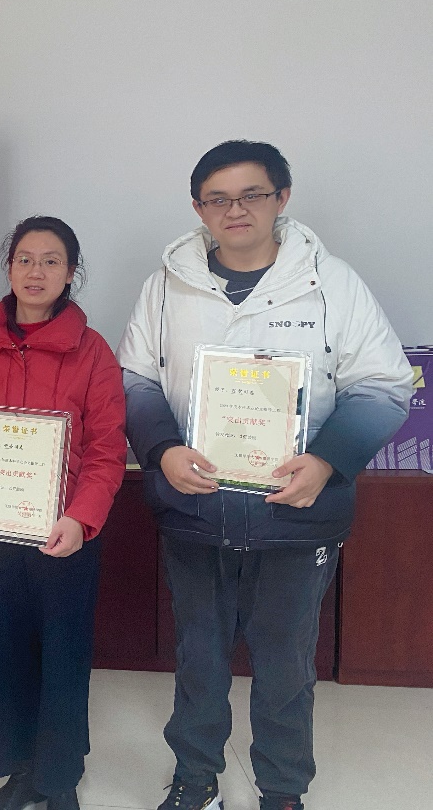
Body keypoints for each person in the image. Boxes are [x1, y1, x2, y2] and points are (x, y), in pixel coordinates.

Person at [116, 141, 413, 810]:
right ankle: (195, 779)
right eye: (217, 199)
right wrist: (161, 449)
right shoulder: (167, 285)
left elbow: (384, 385)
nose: (235, 210)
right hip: (196, 509)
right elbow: (135, 380)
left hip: (295, 513)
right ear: (199, 209)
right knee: (197, 659)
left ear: (282, 198)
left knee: (284, 665)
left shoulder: (331, 282)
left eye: (251, 194)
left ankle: (281, 789)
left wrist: (326, 460)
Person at [0, 216, 126, 810]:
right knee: (1, 652)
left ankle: (59, 777)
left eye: (50, 260)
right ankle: (18, 769)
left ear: (70, 272)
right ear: (9, 267)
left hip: (63, 535)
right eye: (24, 259)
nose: (35, 272)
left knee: (62, 656)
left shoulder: (93, 353)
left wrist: (81, 518)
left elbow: (106, 447)